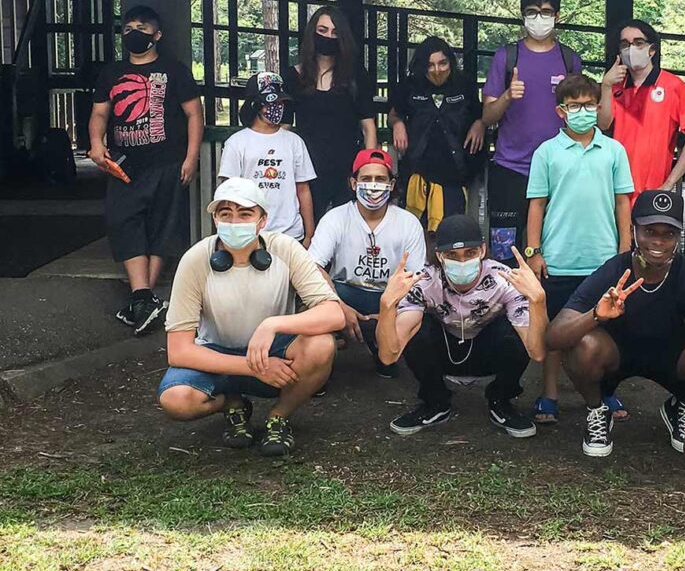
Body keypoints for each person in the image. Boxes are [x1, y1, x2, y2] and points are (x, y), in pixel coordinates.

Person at [546, 190, 685, 458]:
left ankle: (683, 408)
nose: (658, 241)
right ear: (633, 230)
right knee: (583, 345)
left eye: (668, 234)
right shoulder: (614, 270)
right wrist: (595, 315)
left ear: (678, 237)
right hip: (616, 356)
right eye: (650, 231)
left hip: (671, 357)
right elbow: (554, 337)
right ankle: (597, 410)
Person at [157, 177, 344, 457]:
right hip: (218, 353)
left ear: (262, 220)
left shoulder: (286, 248)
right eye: (225, 214)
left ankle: (279, 417)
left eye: (245, 214)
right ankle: (231, 404)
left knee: (322, 345)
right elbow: (178, 350)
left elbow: (333, 312)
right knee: (176, 400)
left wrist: (273, 325)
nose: (235, 222)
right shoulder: (195, 259)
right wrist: (254, 366)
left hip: (275, 351)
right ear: (215, 220)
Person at [525, 73, 634, 424]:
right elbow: (537, 205)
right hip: (558, 260)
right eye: (575, 106)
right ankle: (549, 394)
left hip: (604, 260)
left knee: (609, 330)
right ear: (561, 111)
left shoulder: (614, 150)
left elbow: (622, 203)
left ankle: (606, 393)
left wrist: (625, 250)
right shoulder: (546, 152)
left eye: (589, 105)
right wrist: (533, 251)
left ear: (599, 106)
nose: (583, 111)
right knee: (555, 332)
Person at [376, 215, 547, 438]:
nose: (462, 261)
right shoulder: (424, 282)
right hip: (445, 352)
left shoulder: (505, 281)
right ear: (439, 255)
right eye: (452, 255)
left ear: (483, 250)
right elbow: (389, 356)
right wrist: (386, 305)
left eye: (470, 252)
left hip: (488, 352)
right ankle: (435, 402)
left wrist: (538, 301)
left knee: (513, 330)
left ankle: (501, 400)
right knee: (417, 328)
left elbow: (537, 352)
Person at [88, 5, 203, 336]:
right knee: (122, 220)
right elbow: (99, 114)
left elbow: (195, 114)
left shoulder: (175, 70)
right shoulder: (111, 73)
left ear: (157, 35)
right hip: (124, 165)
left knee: (161, 228)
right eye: (128, 28)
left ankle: (142, 299)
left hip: (167, 161)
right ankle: (145, 299)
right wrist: (96, 143)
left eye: (141, 27)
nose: (133, 33)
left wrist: (190, 158)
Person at [481, 0, 583, 262]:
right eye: (532, 12)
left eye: (546, 12)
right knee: (504, 251)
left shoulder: (569, 60)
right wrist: (506, 97)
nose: (539, 18)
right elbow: (488, 116)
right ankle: (504, 302)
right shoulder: (506, 56)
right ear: (522, 15)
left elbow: (582, 114)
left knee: (552, 249)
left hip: (557, 170)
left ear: (558, 16)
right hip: (510, 168)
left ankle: (546, 303)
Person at [307, 148, 427, 378]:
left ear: (392, 185)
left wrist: (389, 311)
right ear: (353, 183)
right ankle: (319, 365)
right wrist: (337, 305)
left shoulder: (408, 222)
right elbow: (313, 267)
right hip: (345, 292)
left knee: (416, 314)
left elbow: (417, 277)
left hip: (389, 295)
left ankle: (385, 351)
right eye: (366, 179)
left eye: (380, 179)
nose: (373, 185)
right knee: (312, 302)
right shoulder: (335, 218)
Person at [283, 5, 377, 220]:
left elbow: (368, 127)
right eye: (323, 30)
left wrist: (368, 169)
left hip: (348, 168)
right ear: (312, 34)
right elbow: (284, 128)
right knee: (309, 234)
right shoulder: (292, 77)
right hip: (307, 170)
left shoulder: (355, 76)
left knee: (349, 232)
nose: (328, 37)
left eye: (335, 32)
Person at [388, 36, 486, 241]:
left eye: (442, 63)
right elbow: (394, 113)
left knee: (452, 234)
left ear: (450, 61)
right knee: (415, 231)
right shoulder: (410, 85)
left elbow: (479, 114)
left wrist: (479, 125)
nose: (437, 70)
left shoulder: (464, 84)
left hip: (455, 172)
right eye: (430, 65)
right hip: (418, 170)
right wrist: (397, 124)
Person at [598, 19, 685, 202]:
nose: (631, 49)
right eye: (625, 44)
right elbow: (602, 124)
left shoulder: (673, 85)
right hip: (615, 188)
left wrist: (670, 183)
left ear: (652, 49)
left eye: (638, 43)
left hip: (654, 190)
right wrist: (606, 86)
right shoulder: (615, 86)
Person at [218, 72, 316, 247]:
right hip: (249, 233)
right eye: (271, 103)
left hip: (291, 234)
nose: (277, 107)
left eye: (280, 102)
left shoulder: (294, 142)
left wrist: (310, 233)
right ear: (255, 105)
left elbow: (303, 188)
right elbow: (228, 192)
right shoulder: (236, 143)